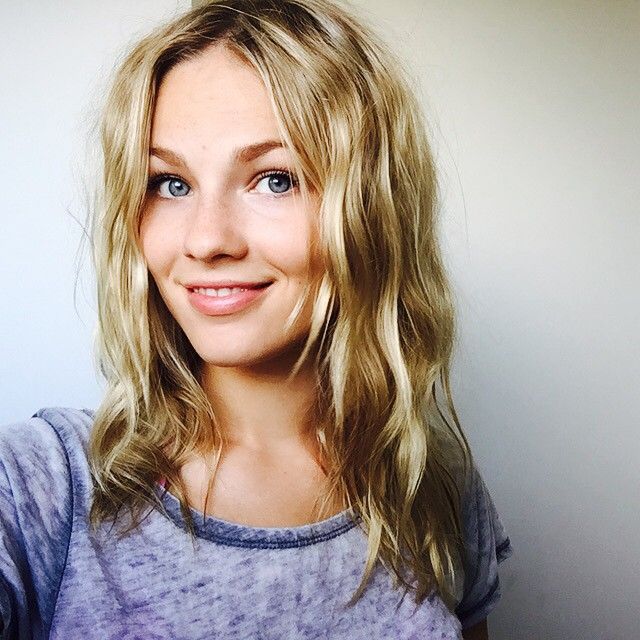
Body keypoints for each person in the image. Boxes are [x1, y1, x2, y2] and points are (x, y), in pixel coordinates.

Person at [0, 1, 513, 638]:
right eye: (171, 183)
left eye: (274, 179)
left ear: (369, 214)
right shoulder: (40, 492)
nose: (206, 241)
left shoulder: (436, 489)